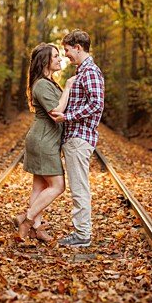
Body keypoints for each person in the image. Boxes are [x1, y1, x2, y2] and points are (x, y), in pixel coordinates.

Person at [49, 30, 103, 248]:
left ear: (78, 47)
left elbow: (97, 104)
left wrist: (67, 116)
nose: (66, 55)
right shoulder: (83, 72)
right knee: (78, 186)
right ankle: (82, 231)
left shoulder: (90, 71)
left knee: (79, 186)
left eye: (67, 50)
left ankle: (82, 234)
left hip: (80, 138)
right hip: (75, 137)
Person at [16, 43, 73, 242]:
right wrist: (67, 87)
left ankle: (36, 229)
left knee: (39, 187)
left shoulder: (48, 83)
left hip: (45, 139)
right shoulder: (41, 84)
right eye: (55, 56)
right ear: (45, 61)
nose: (60, 59)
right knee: (58, 186)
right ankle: (27, 219)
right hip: (43, 142)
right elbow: (56, 111)